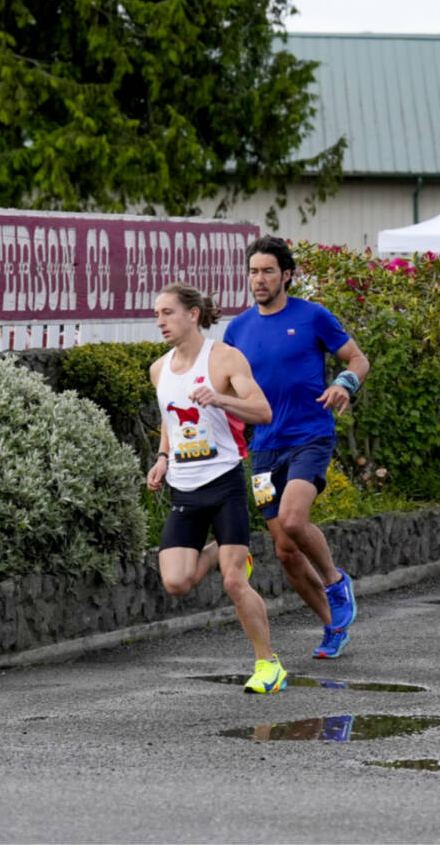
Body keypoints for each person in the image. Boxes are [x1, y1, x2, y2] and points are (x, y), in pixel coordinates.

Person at [225, 235, 371, 660]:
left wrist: (345, 383)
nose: (259, 279)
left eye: (268, 271)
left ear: (287, 275)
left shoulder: (313, 317)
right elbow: (226, 386)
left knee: (293, 519)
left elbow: (357, 359)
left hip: (310, 435)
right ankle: (333, 624)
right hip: (265, 447)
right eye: (253, 271)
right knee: (286, 553)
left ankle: (334, 580)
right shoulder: (238, 329)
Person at [147, 283, 286, 693]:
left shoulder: (223, 358)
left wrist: (221, 400)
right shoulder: (158, 368)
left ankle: (268, 663)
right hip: (184, 490)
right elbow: (171, 421)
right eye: (157, 314)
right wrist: (162, 457)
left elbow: (262, 410)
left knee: (232, 583)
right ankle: (228, 552)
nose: (160, 322)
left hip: (223, 482)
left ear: (193, 314)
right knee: (176, 581)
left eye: (168, 313)